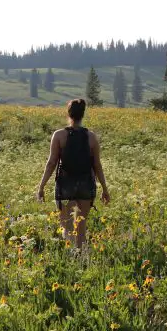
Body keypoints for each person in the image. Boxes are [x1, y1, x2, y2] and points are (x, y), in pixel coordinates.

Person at [36, 98, 109, 248]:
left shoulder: (59, 135)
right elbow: (97, 165)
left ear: (68, 114)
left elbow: (51, 163)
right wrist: (105, 189)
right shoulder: (92, 137)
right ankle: (82, 258)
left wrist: (41, 187)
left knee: (67, 227)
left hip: (65, 186)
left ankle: (71, 259)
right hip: (85, 186)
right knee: (81, 229)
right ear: (83, 114)